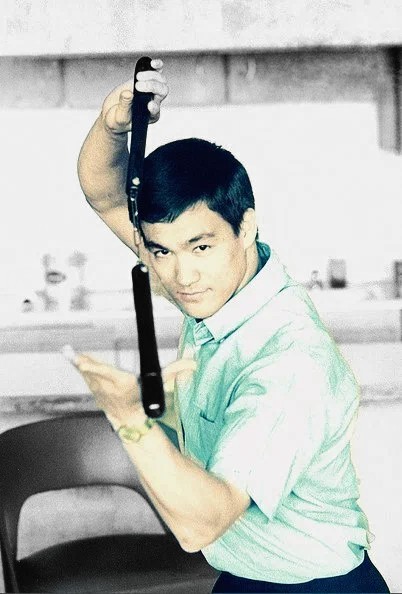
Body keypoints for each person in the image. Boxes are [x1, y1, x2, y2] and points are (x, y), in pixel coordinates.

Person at [75, 58, 390, 593]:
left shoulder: (288, 363)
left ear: (245, 227)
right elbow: (105, 194)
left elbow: (201, 524)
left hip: (315, 587)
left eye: (200, 247)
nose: (180, 276)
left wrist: (131, 421)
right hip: (243, 575)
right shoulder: (218, 288)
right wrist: (113, 126)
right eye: (161, 251)